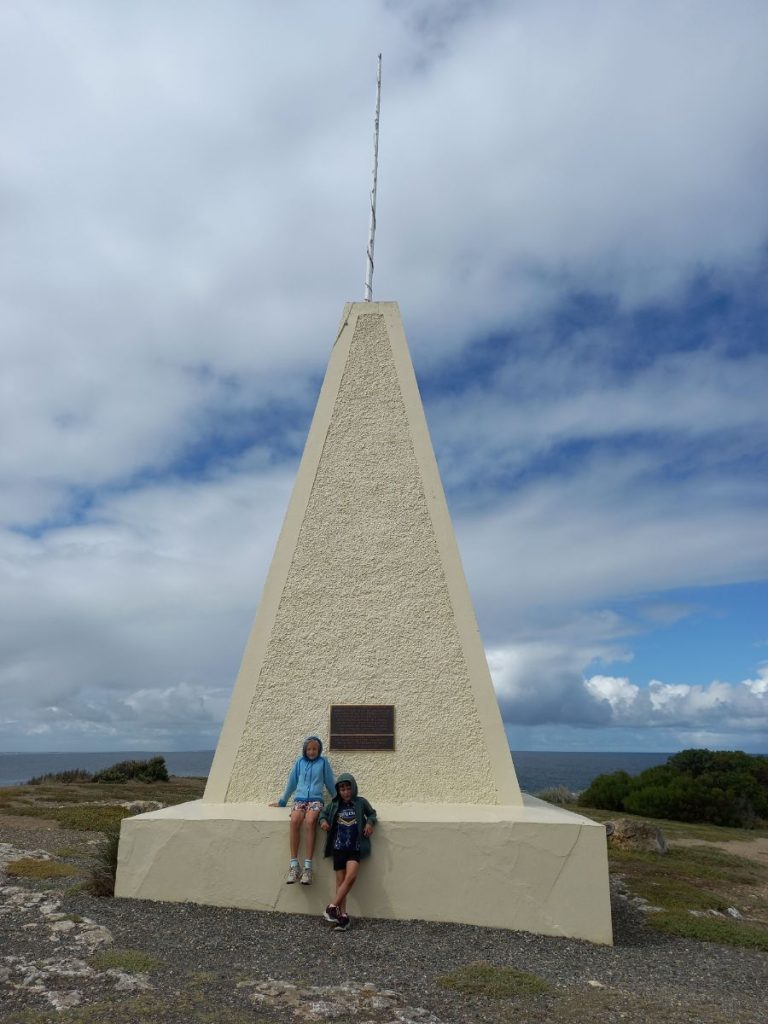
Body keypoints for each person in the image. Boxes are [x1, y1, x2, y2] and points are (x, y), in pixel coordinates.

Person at [269, 735, 335, 885]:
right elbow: (291, 783)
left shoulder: (323, 763)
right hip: (299, 800)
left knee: (310, 821)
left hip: (315, 800)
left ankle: (308, 868)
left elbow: (330, 783)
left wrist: (339, 800)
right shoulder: (299, 763)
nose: (312, 752)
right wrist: (282, 801)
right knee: (295, 820)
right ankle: (294, 866)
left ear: (319, 750)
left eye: (315, 749)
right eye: (309, 749)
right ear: (305, 750)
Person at [319, 773, 376, 931]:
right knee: (340, 882)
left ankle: (331, 907)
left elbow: (372, 813)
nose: (345, 792)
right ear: (338, 791)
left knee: (350, 878)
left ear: (353, 788)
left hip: (354, 847)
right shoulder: (335, 804)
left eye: (348, 788)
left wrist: (370, 823)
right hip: (338, 847)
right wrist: (323, 822)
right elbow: (322, 815)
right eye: (342, 789)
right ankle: (343, 917)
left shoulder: (360, 802)